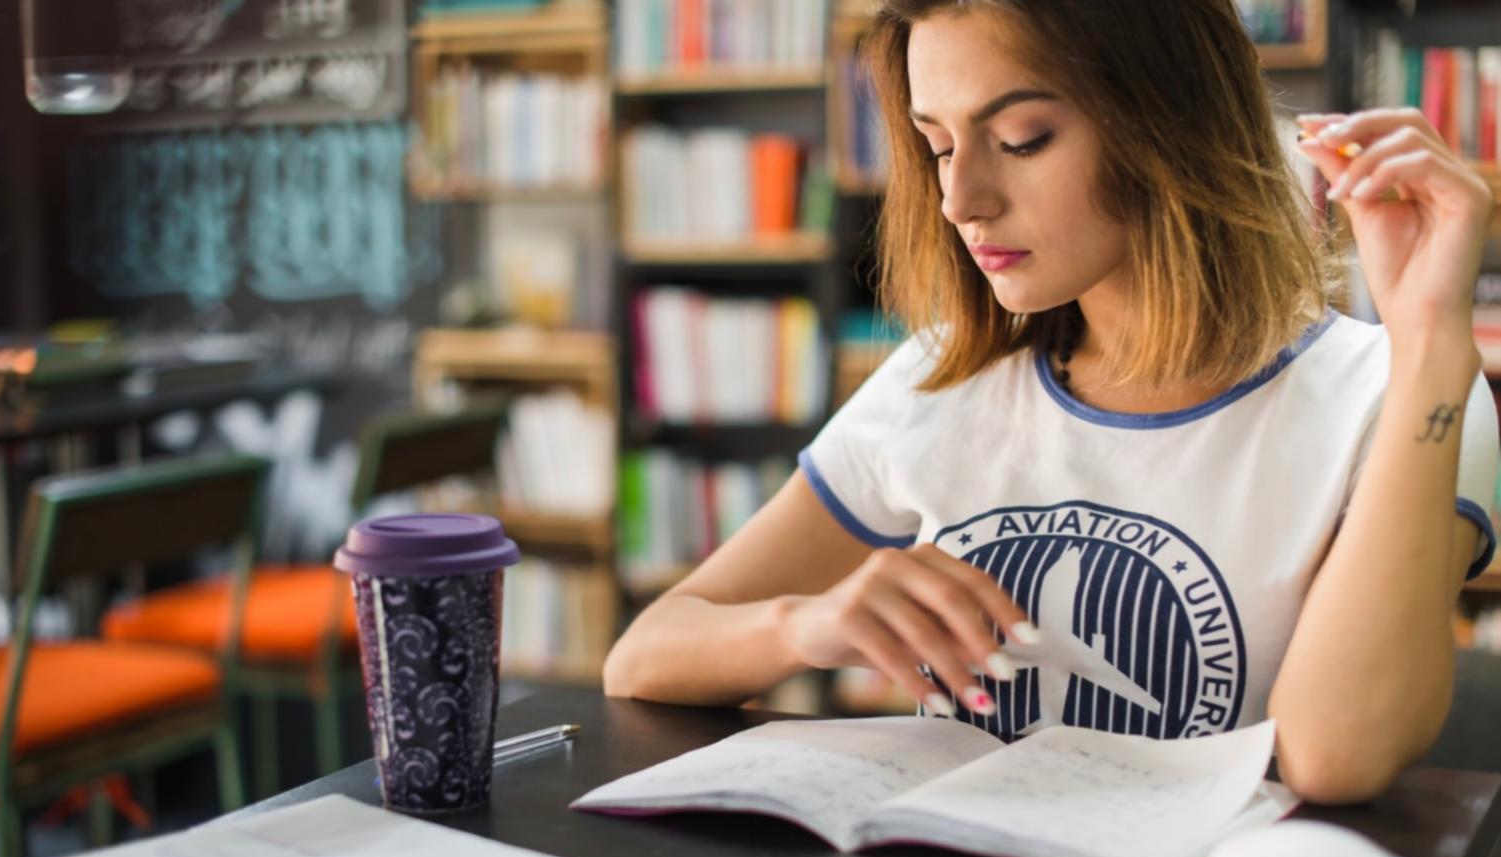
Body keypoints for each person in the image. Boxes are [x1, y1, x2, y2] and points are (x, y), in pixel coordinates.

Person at [603, 0, 1501, 805]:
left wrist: (1429, 347)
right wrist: (806, 622)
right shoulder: (936, 382)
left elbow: (1335, 758)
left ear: (1168, 124)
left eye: (1022, 137)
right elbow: (642, 659)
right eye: (937, 145)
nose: (960, 200)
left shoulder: (1394, 393)